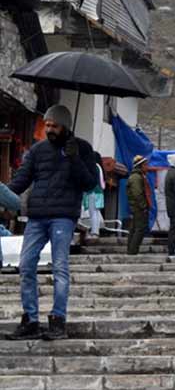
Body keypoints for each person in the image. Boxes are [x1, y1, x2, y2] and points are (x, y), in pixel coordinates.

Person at [5, 105, 99, 341]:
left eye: (54, 125)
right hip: (37, 216)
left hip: (63, 216)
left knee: (60, 268)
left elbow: (89, 184)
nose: (49, 129)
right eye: (47, 125)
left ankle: (58, 320)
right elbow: (21, 180)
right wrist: (4, 193)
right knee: (26, 265)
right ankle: (30, 320)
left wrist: (74, 158)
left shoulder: (83, 149)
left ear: (65, 126)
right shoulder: (37, 151)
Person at [126, 155, 151, 255]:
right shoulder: (136, 178)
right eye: (145, 165)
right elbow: (138, 193)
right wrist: (144, 206)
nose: (147, 167)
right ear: (140, 166)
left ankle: (131, 250)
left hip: (137, 207)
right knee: (139, 229)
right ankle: (132, 251)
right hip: (138, 207)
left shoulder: (138, 176)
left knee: (135, 229)